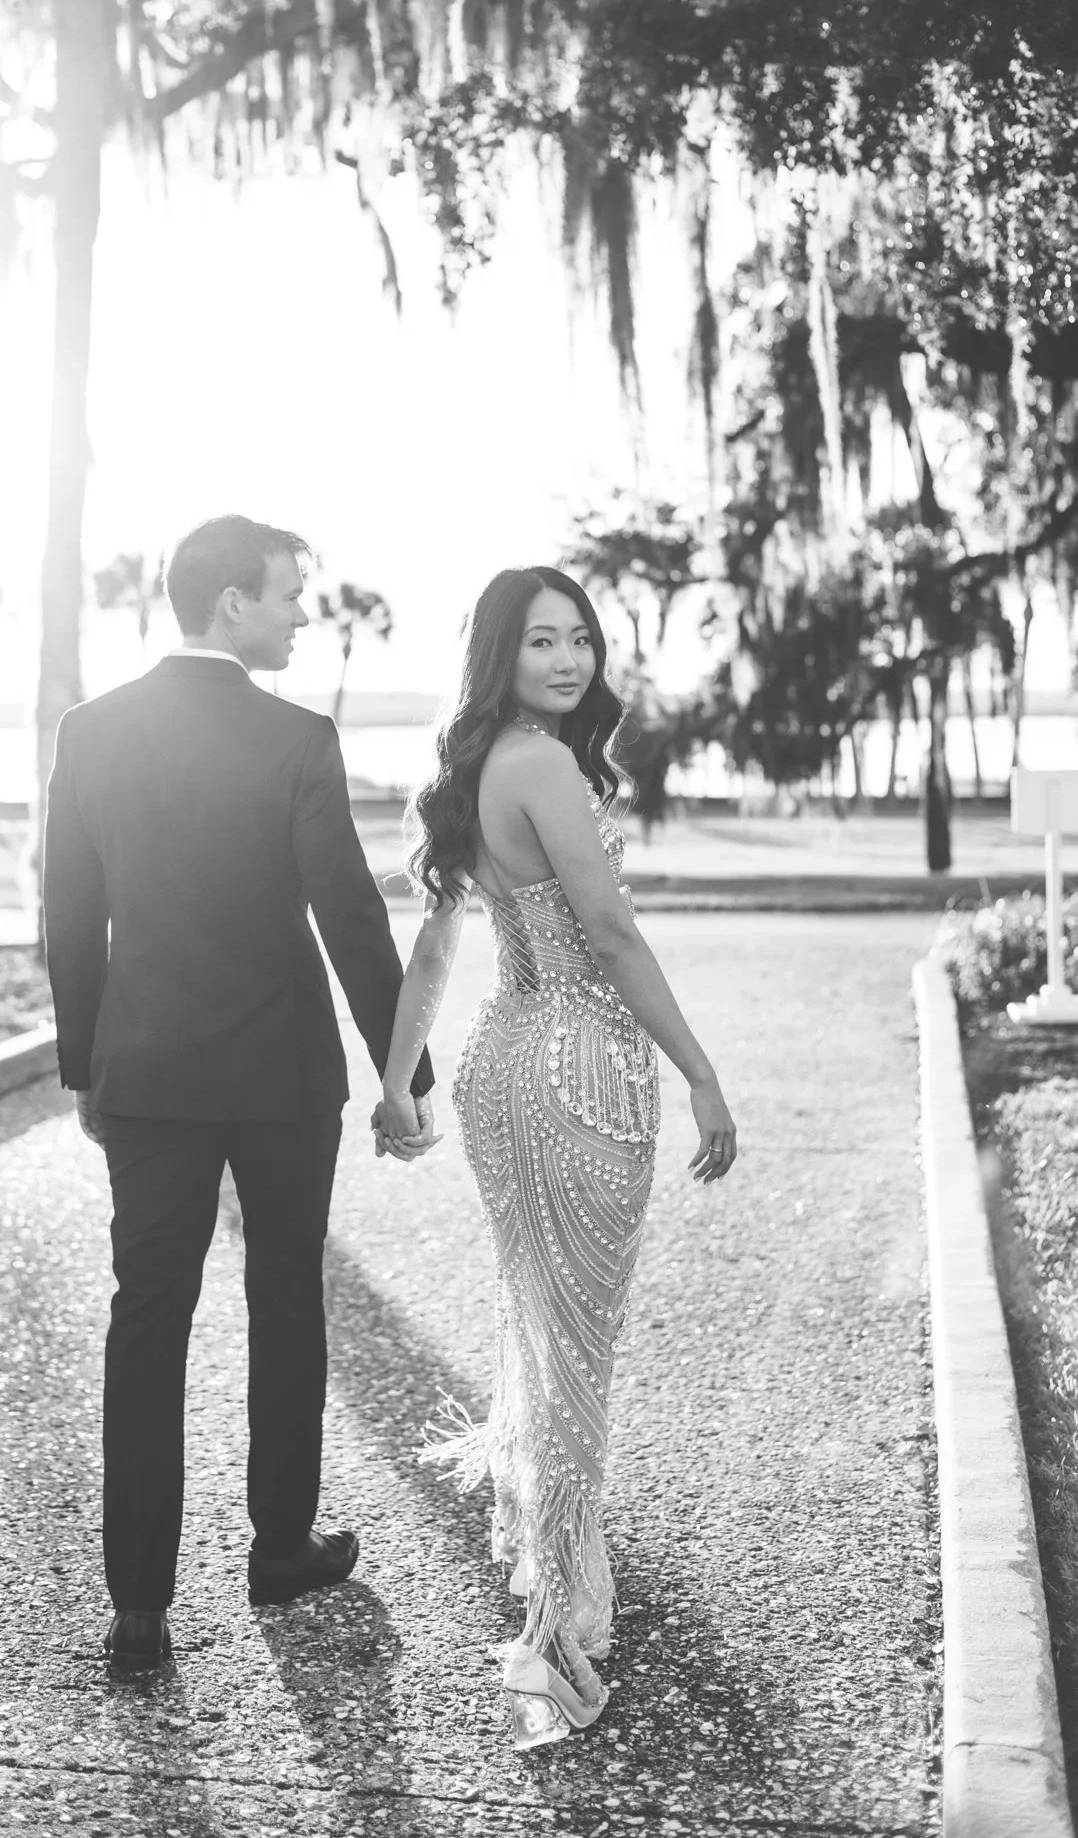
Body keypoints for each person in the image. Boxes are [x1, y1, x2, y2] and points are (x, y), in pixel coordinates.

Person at [43, 514, 435, 1669]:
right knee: (285, 1303)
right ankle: (278, 1547)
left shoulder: (92, 731)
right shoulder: (295, 738)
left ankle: (139, 1607)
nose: (300, 613)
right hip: (279, 1080)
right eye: (285, 595)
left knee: (145, 1321)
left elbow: (72, 914)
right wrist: (400, 1073)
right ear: (226, 603)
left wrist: (86, 1065)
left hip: (148, 1078)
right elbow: (350, 917)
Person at [373, 566, 738, 1748]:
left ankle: (556, 1553)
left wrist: (394, 1078)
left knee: (544, 1320)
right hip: (577, 1062)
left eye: (578, 637)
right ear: (501, 654)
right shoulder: (540, 764)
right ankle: (564, 1611)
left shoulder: (478, 768)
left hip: (498, 1064)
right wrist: (696, 1068)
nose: (567, 659)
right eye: (540, 641)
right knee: (575, 1338)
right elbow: (612, 931)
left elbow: (432, 954)